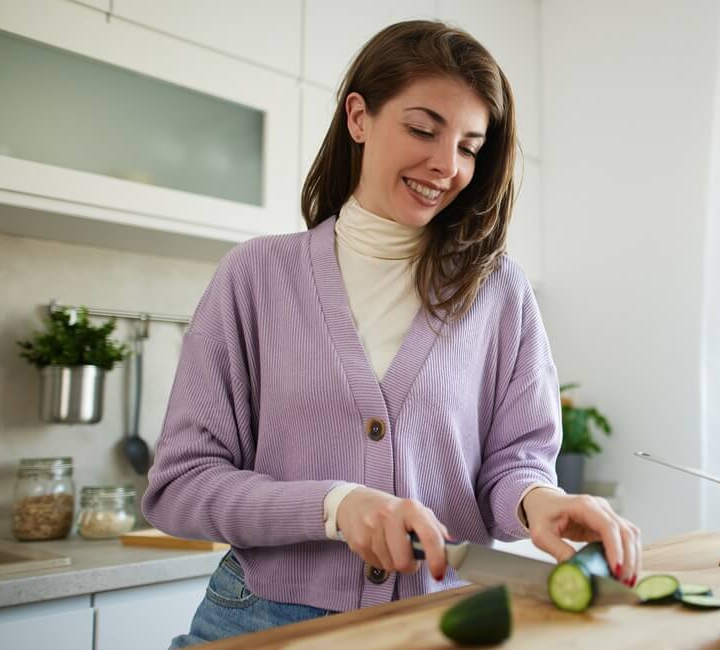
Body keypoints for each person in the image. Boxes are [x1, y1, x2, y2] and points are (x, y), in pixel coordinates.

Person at [142, 20, 641, 646]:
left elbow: (514, 460)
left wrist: (537, 498)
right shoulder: (255, 275)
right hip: (264, 620)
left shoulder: (499, 291)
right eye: (423, 130)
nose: (446, 165)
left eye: (469, 146)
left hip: (442, 623)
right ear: (359, 117)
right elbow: (180, 486)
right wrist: (336, 506)